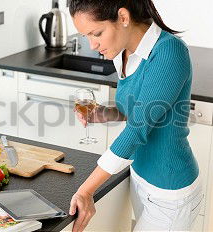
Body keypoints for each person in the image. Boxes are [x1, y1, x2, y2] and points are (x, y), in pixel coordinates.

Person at [68, 0, 203, 231]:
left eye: (96, 33)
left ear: (123, 17)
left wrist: (85, 190)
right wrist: (104, 113)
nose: (92, 45)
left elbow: (137, 130)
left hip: (169, 191)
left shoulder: (168, 52)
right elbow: (137, 110)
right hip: (139, 178)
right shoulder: (123, 52)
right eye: (86, 36)